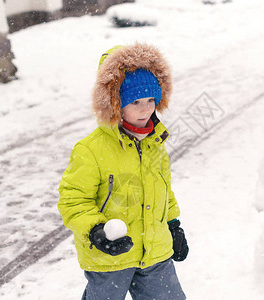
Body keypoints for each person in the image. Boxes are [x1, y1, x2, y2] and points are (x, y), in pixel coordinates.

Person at [58, 43, 189, 300]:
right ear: (115, 104)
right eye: (135, 101)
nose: (145, 109)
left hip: (154, 253)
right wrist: (96, 232)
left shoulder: (155, 143)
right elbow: (73, 201)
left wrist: (173, 225)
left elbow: (164, 191)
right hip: (110, 257)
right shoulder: (90, 149)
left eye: (151, 99)